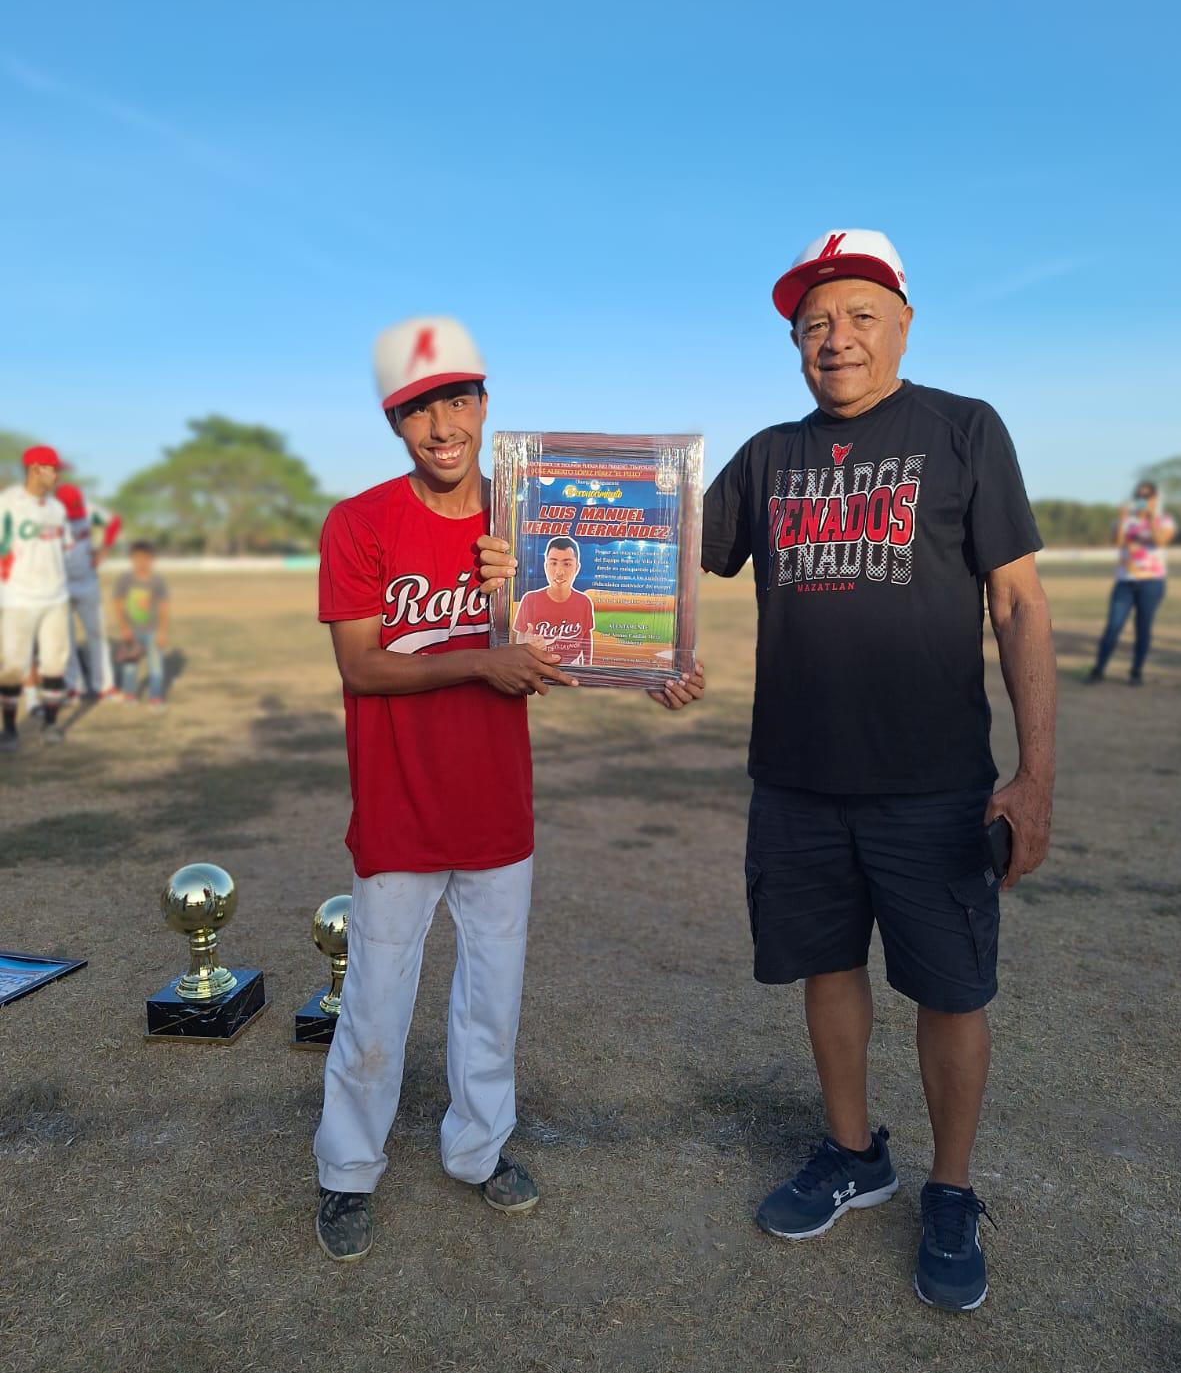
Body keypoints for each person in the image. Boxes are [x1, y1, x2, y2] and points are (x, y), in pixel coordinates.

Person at [701, 229, 1056, 1311]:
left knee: (950, 990)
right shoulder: (767, 456)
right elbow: (662, 549)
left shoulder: (963, 429)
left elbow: (1018, 602)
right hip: (798, 780)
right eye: (814, 323)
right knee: (827, 969)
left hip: (934, 784)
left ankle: (950, 1188)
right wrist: (528, 536)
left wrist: (1035, 776)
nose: (836, 338)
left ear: (903, 323)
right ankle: (854, 1154)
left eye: (859, 315)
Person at [313, 314, 705, 1264]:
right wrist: (481, 660)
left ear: (485, 404)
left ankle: (478, 1151)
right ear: (393, 421)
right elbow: (361, 667)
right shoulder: (359, 521)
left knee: (492, 997)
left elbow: (585, 619)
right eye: (418, 410)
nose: (442, 426)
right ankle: (348, 1169)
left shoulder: (528, 517)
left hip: (495, 802)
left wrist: (655, 666)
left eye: (457, 400)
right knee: (374, 1003)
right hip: (401, 804)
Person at [0, 445, 73, 750]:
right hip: (18, 599)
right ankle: (9, 732)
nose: (57, 476)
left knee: (55, 664)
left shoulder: (57, 508)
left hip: (56, 597)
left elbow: (66, 546)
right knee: (12, 667)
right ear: (34, 470)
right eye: (53, 470)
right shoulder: (7, 503)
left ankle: (51, 725)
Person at [1087, 480, 1176, 685]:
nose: (1142, 500)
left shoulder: (1165, 520)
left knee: (1143, 627)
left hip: (1152, 582)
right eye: (1139, 496)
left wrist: (1151, 517)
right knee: (1113, 626)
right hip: (1125, 581)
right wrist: (1122, 520)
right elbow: (1118, 543)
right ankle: (1098, 669)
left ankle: (1136, 672)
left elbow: (1160, 541)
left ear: (1155, 498)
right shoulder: (1125, 520)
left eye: (1147, 496)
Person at [57, 482, 122, 700]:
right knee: (66, 638)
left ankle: (104, 685)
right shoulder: (50, 514)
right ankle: (74, 686)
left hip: (88, 582)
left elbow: (114, 521)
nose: (75, 516)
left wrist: (104, 549)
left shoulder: (88, 510)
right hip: (61, 586)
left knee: (97, 634)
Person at [513, 535, 596, 664]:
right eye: (553, 563)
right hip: (538, 666)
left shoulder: (584, 602)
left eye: (567, 564)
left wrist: (587, 665)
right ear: (546, 566)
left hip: (573, 667)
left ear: (577, 568)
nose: (559, 572)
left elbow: (586, 635)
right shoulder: (530, 600)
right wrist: (527, 644)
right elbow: (520, 638)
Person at [112, 542, 170, 706]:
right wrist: (124, 628)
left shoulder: (158, 581)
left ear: (152, 560)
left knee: (156, 667)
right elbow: (118, 603)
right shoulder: (125, 579)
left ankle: (155, 697)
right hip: (132, 631)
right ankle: (129, 695)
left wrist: (162, 632)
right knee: (130, 667)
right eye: (137, 559)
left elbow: (164, 607)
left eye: (145, 559)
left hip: (153, 631)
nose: (141, 562)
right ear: (131, 559)